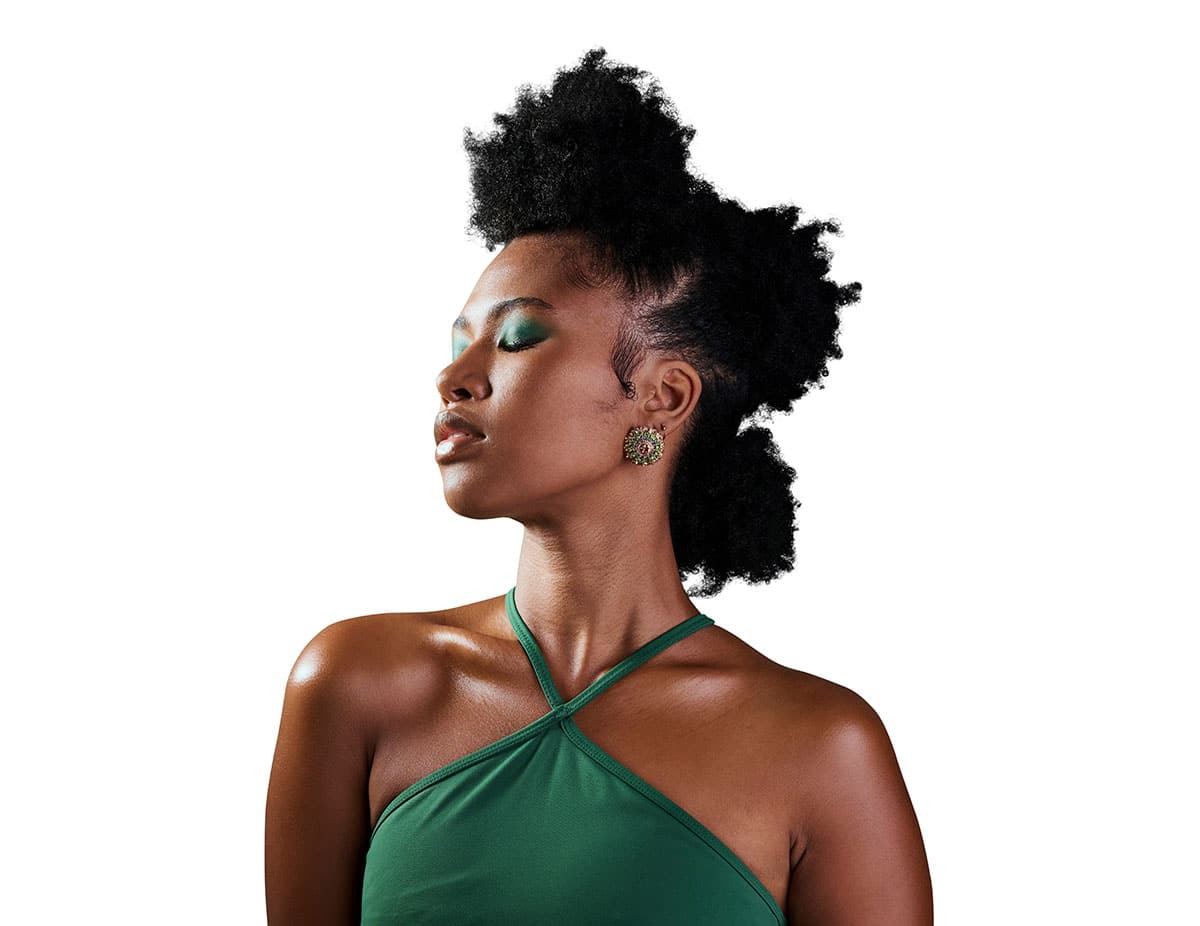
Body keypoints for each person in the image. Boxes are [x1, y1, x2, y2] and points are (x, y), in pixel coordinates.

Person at [265, 47, 933, 925]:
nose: (454, 377)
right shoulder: (355, 684)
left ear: (662, 397)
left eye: (518, 339)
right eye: (459, 342)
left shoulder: (822, 748)